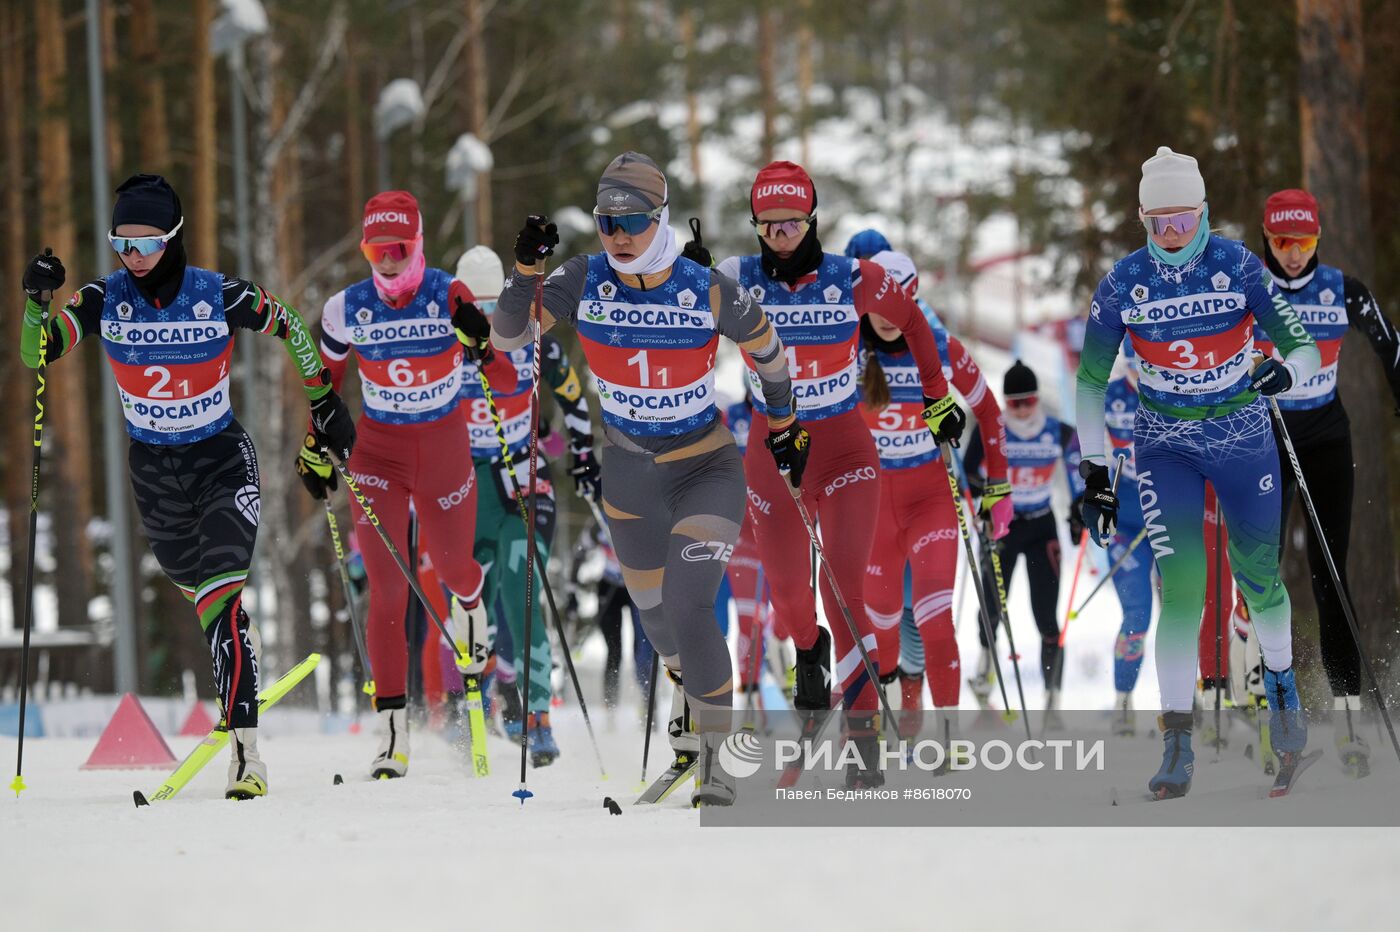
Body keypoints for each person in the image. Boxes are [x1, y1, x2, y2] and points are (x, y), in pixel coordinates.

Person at [19, 173, 356, 799]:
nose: (134, 258)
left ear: (173, 238)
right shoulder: (103, 298)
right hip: (154, 476)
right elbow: (37, 354)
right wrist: (38, 304)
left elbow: (288, 325)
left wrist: (323, 400)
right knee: (209, 608)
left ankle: (247, 755)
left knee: (223, 603)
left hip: (223, 462)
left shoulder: (216, 294)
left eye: (146, 244)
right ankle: (237, 658)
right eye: (122, 244)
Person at [490, 151, 798, 807]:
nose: (619, 235)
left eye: (632, 221)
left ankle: (717, 759)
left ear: (659, 217)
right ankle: (693, 704)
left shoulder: (706, 286)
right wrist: (524, 272)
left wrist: (784, 423)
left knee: (690, 606)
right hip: (628, 475)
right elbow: (509, 336)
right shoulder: (582, 278)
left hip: (705, 467)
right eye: (607, 222)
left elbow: (770, 354)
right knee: (657, 625)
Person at [1076, 146, 1320, 798]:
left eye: (1185, 220)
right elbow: (1090, 382)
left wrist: (1284, 369)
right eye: (1160, 224)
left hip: (1241, 436)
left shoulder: (1237, 266)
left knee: (1260, 577)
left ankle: (1282, 689)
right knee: (1182, 590)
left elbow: (1299, 342)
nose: (1174, 236)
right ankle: (1177, 740)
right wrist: (1095, 472)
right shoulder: (1124, 283)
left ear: (1204, 212)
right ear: (1142, 220)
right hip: (1164, 444)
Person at [716, 161, 965, 788]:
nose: (781, 236)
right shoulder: (735, 279)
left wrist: (936, 396)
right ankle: (808, 653)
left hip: (847, 449)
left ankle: (862, 738)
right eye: (769, 226)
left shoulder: (851, 277)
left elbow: (912, 321)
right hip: (772, 452)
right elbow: (678, 324)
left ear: (813, 219)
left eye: (792, 223)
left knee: (844, 588)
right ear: (756, 226)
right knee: (791, 597)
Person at [297, 191, 517, 779]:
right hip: (378, 457)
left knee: (452, 570)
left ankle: (472, 607)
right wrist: (316, 446)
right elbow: (327, 390)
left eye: (398, 249)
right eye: (376, 249)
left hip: (444, 452)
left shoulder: (449, 293)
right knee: (389, 592)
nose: (388, 261)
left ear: (416, 246)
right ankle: (393, 733)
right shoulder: (347, 308)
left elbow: (503, 376)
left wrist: (481, 342)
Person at [1252, 188, 1400, 777]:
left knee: (1329, 572)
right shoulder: (1248, 286)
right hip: (1267, 437)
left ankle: (1346, 715)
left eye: (1304, 242)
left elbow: (1390, 344)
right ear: (1267, 238)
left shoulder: (1343, 290)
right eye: (1282, 242)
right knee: (1261, 572)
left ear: (1318, 240)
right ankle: (1272, 711)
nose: (1293, 254)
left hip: (1326, 438)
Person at [453, 244, 598, 764]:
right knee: (475, 599)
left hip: (523, 479)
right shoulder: (446, 344)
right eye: (478, 305)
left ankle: (538, 716)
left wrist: (583, 457)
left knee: (523, 588)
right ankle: (480, 702)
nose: (490, 317)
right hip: (468, 485)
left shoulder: (536, 344)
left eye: (498, 305)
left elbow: (575, 399)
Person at [858, 249, 1011, 740]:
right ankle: (888, 722)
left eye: (896, 304)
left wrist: (999, 486)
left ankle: (947, 737)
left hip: (930, 501)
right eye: (875, 306)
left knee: (934, 619)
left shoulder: (942, 347)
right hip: (875, 506)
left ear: (914, 299)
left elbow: (989, 412)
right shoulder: (848, 350)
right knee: (880, 629)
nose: (885, 318)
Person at [964, 360, 1080, 714]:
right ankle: (985, 670)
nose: (1023, 409)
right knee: (992, 607)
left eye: (1028, 400)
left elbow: (1078, 475)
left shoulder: (1059, 431)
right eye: (1014, 403)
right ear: (1004, 402)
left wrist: (1079, 509)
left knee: (1046, 615)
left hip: (1041, 525)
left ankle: (1052, 696)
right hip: (1002, 527)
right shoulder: (990, 431)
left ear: (1038, 398)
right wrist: (979, 504)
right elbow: (969, 473)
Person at [1076, 346, 1156, 733]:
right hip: (1126, 519)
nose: (1144, 376)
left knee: (1186, 605)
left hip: (1172, 511)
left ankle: (1193, 691)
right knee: (1138, 612)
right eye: (1139, 368)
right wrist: (1094, 495)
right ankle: (1124, 697)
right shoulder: (1111, 397)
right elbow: (1089, 453)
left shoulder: (1176, 391)